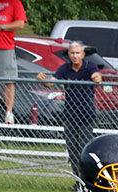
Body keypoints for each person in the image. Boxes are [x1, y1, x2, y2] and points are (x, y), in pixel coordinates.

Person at [36, 42, 102, 179]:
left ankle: (86, 179)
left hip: (86, 114)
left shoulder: (90, 66)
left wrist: (96, 77)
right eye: (72, 53)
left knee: (84, 148)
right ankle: (77, 178)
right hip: (69, 114)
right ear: (69, 54)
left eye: (78, 53)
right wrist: (43, 79)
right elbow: (51, 82)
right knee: (72, 149)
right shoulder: (65, 68)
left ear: (83, 55)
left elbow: (97, 77)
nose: (75, 56)